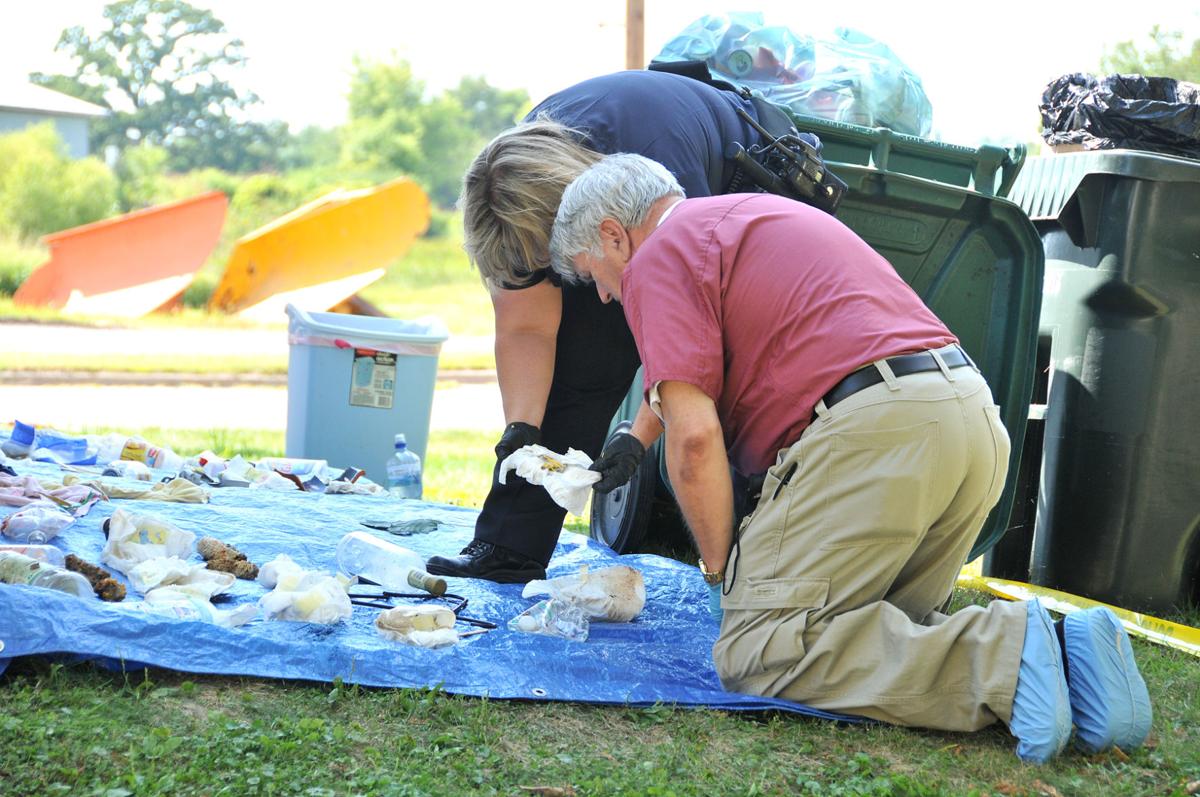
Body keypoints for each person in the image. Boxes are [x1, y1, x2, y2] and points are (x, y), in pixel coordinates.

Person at [547, 153, 1152, 762]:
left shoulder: (654, 259)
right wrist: (636, 436)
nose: (601, 294)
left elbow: (696, 438)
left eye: (592, 273)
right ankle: (1070, 653)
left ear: (613, 235)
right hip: (966, 420)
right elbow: (697, 368)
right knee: (873, 625)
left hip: (877, 437)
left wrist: (718, 573)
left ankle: (1009, 651)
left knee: (763, 648)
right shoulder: (749, 215)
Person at [427, 68, 808, 583]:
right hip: (599, 211)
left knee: (703, 370)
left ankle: (751, 561)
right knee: (579, 355)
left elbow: (686, 329)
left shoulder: (650, 172)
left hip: (747, 172)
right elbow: (526, 328)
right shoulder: (507, 187)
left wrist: (638, 434)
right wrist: (522, 428)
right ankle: (508, 547)